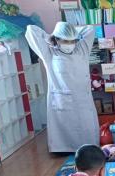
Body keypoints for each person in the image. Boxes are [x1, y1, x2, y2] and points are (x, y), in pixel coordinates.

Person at [26, 22, 99, 153]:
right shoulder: (49, 52)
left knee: (86, 128)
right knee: (64, 128)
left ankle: (88, 148)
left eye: (72, 41)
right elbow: (31, 30)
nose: (69, 44)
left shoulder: (82, 49)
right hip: (62, 98)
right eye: (65, 41)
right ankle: (62, 149)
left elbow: (90, 29)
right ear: (57, 39)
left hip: (83, 98)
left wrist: (72, 32)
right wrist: (50, 37)